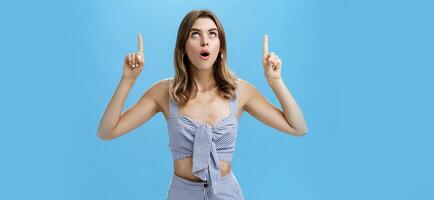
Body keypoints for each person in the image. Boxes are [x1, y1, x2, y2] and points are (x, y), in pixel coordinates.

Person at [97, 9, 308, 200]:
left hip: (227, 193)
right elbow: (107, 131)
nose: (204, 41)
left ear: (220, 46)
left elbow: (298, 127)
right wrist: (128, 79)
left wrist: (275, 82)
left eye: (212, 34)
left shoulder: (240, 91)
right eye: (195, 34)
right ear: (183, 46)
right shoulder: (164, 92)